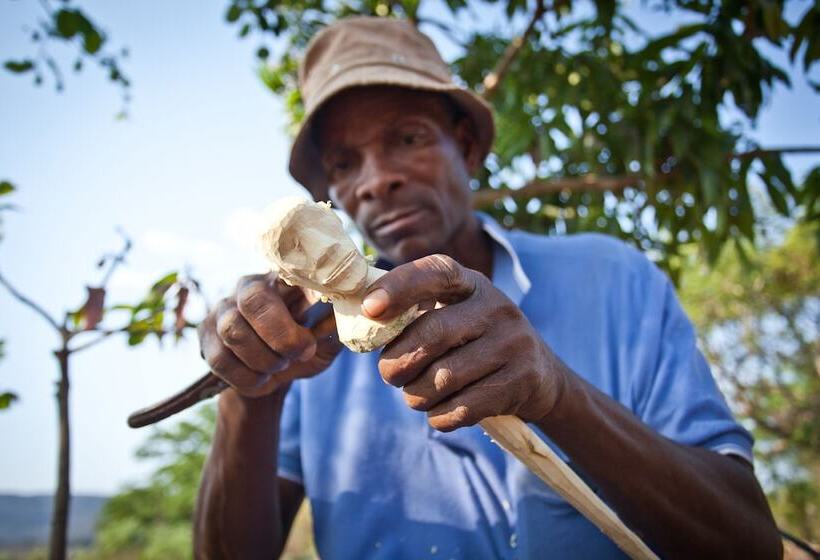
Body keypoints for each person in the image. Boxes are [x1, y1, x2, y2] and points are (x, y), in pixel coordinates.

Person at [193, 16, 781, 559]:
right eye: (344, 164)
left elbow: (748, 545)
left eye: (406, 139)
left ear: (466, 147)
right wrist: (250, 393)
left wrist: (557, 395)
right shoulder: (307, 342)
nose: (377, 181)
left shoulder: (614, 279)